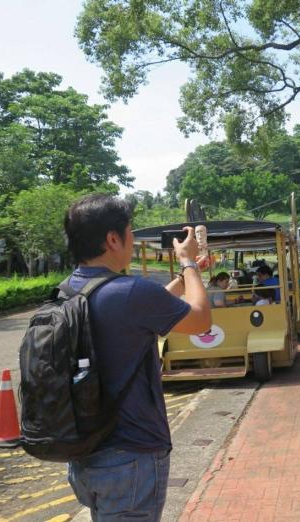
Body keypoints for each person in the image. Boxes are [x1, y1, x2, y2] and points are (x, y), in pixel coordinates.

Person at [63, 194, 211, 521]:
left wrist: (187, 275)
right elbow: (201, 320)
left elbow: (145, 307)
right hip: (129, 457)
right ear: (113, 239)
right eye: (130, 231)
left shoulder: (68, 291)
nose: (132, 239)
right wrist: (187, 263)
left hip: (83, 455)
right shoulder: (130, 292)